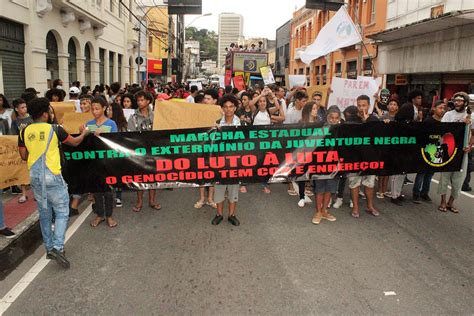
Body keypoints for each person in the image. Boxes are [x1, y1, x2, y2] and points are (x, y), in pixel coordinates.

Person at [18, 97, 89, 268]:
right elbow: (75, 142)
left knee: (44, 213)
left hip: (35, 177)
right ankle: (58, 247)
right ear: (44, 114)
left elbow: (23, 156)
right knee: (62, 211)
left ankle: (49, 248)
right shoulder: (56, 129)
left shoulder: (23, 131)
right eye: (49, 111)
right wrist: (84, 132)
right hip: (53, 176)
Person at [85, 97, 119, 228]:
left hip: (108, 162)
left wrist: (103, 136)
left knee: (108, 190)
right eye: (92, 109)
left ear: (104, 108)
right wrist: (84, 133)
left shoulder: (111, 124)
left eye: (97, 108)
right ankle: (99, 215)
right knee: (96, 190)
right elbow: (84, 143)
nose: (94, 111)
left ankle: (109, 216)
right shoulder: (89, 124)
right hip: (94, 162)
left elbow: (116, 142)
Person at [437, 92, 473, 213]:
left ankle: (450, 203)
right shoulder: (448, 114)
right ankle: (442, 201)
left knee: (458, 179)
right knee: (444, 177)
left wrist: (470, 146)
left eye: (460, 101)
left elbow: (473, 134)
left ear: (465, 102)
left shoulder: (471, 116)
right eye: (456, 100)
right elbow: (443, 131)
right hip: (449, 150)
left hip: (463, 152)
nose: (457, 103)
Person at [128, 91, 161, 212]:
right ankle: (139, 202)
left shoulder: (156, 116)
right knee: (139, 177)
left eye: (142, 100)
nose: (139, 102)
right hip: (139, 152)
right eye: (138, 100)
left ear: (148, 101)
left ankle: (152, 201)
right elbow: (130, 135)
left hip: (153, 151)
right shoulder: (133, 117)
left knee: (153, 176)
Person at [347, 95, 379, 218]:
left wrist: (367, 122)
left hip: (370, 157)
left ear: (369, 106)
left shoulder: (374, 120)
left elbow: (378, 136)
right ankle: (355, 207)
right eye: (359, 105)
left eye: (364, 105)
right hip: (355, 157)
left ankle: (369, 205)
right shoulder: (352, 119)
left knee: (370, 183)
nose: (361, 108)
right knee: (354, 183)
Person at [211, 95, 241, 226]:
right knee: (219, 189)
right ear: (222, 108)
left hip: (235, 164)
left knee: (234, 190)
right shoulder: (216, 123)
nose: (228, 109)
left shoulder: (242, 124)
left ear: (235, 108)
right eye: (226, 107)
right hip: (221, 164)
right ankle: (219, 214)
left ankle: (232, 215)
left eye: (231, 107)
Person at [412, 100, 446, 203]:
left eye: (444, 108)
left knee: (430, 174)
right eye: (440, 108)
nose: (442, 110)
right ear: (434, 109)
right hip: (426, 150)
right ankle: (416, 193)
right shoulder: (427, 122)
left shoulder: (445, 123)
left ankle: (425, 193)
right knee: (421, 173)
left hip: (437, 151)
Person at [311, 106, 341, 224]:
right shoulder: (320, 127)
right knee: (320, 189)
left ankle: (324, 211)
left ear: (339, 118)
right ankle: (318, 211)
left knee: (330, 189)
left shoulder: (342, 129)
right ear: (327, 117)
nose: (333, 120)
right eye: (331, 117)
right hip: (320, 164)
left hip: (334, 165)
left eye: (336, 118)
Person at [194, 89, 219, 209]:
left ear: (215, 101)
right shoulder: (199, 111)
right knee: (201, 172)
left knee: (213, 172)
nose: (206, 101)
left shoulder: (221, 112)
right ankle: (202, 198)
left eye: (209, 99)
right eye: (205, 98)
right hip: (202, 146)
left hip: (215, 148)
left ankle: (210, 199)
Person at [10, 98, 34, 203]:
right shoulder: (15, 122)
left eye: (25, 107)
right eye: (22, 107)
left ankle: (36, 193)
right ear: (16, 109)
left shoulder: (32, 119)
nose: (25, 109)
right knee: (23, 172)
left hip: (33, 148)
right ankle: (24, 194)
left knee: (33, 172)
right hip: (22, 149)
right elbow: (13, 136)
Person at [376, 98, 399, 199]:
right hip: (384, 146)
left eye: (395, 104)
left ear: (397, 107)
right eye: (391, 104)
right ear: (388, 106)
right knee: (382, 169)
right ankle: (380, 190)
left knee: (388, 170)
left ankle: (385, 189)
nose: (393, 106)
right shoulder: (383, 117)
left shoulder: (399, 118)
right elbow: (378, 131)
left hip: (393, 147)